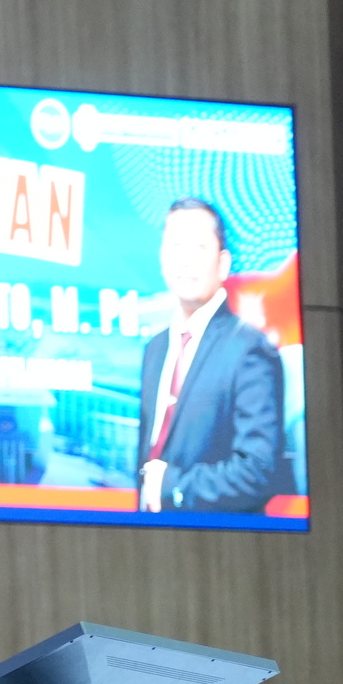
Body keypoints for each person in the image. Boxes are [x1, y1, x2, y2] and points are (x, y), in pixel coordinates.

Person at [135, 198, 285, 513]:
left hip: (212, 536)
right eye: (176, 246)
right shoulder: (155, 349)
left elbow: (257, 470)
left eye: (199, 247)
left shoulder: (249, 348)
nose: (185, 260)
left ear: (223, 263)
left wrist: (174, 489)